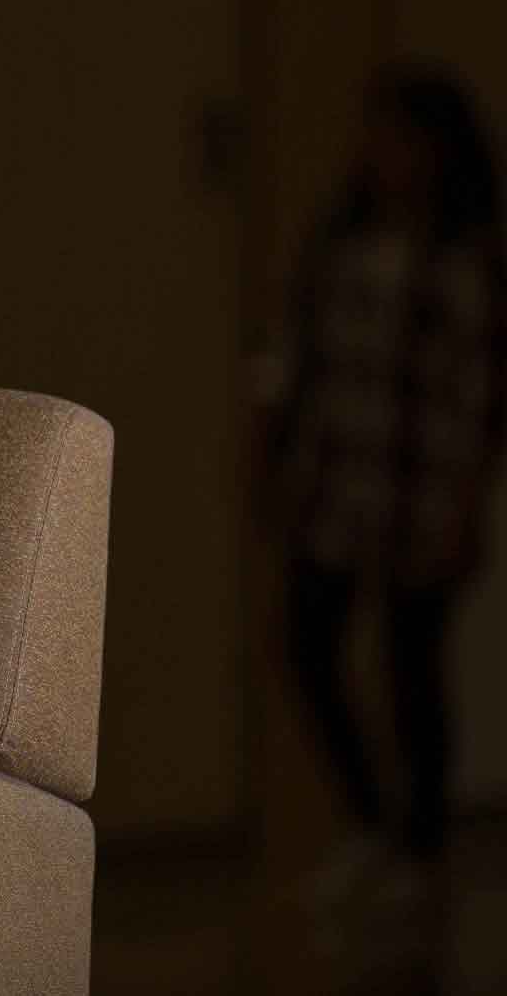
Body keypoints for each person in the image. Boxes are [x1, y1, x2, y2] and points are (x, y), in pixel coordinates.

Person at [258, 59, 505, 909]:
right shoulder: (342, 241)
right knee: (306, 643)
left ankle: (421, 847)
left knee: (412, 671)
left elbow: (477, 395)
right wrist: (280, 457)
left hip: (422, 491)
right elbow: (301, 360)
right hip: (339, 481)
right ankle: (371, 821)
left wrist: (465, 504)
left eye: (398, 136)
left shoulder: (468, 256)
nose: (380, 153)